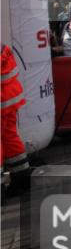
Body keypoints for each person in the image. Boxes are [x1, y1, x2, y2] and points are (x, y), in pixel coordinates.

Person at [1, 44, 31, 197]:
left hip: (3, 99)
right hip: (9, 99)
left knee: (7, 138)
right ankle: (22, 179)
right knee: (9, 137)